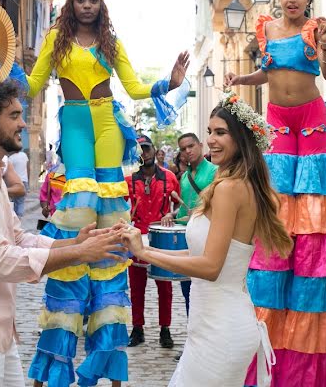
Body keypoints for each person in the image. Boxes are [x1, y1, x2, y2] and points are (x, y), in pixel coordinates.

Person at [21, 0, 189, 387]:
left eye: (92, 0)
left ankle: (108, 346)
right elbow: (31, 85)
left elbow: (132, 88)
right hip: (75, 119)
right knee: (79, 200)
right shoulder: (57, 39)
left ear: (101, 5)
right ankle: (68, 260)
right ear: (71, 5)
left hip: (108, 121)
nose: (86, 6)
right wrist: (3, 64)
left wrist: (169, 81)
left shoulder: (111, 43)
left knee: (112, 206)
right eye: (79, 0)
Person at [0, 79, 125, 387]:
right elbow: (0, 260)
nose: (22, 123)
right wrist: (78, 254)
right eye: (14, 115)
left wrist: (74, 241)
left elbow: (18, 238)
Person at [225, 0, 326, 386]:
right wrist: (242, 78)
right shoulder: (266, 29)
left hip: (311, 119)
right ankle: (278, 272)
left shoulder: (316, 31)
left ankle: (310, 272)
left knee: (312, 202)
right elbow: (268, 73)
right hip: (278, 119)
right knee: (278, 201)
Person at [122, 94, 294, 387]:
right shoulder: (236, 184)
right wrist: (144, 247)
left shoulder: (230, 189)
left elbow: (211, 266)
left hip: (221, 331)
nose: (212, 140)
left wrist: (145, 254)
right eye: (210, 132)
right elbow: (200, 252)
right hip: (210, 328)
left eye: (221, 132)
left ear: (241, 139)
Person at [125, 134, 183, 349]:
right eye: (140, 150)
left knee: (164, 286)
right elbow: (122, 210)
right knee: (137, 286)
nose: (145, 153)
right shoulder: (128, 181)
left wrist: (172, 215)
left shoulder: (169, 177)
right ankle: (137, 328)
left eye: (147, 148)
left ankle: (165, 329)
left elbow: (179, 204)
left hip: (160, 238)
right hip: (137, 238)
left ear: (154, 149)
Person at [175, 133, 217, 317]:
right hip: (188, 238)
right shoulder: (184, 177)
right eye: (183, 149)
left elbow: (221, 205)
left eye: (191, 146)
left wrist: (201, 212)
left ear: (201, 145)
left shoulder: (216, 171)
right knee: (188, 292)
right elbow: (184, 209)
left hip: (208, 238)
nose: (188, 151)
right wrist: (172, 214)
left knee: (206, 291)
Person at [6, 149, 29, 217]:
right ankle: (19, 217)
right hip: (24, 181)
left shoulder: (10, 158)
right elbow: (28, 168)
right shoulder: (24, 155)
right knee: (21, 202)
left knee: (15, 201)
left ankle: (16, 217)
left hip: (14, 182)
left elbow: (9, 172)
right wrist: (27, 178)